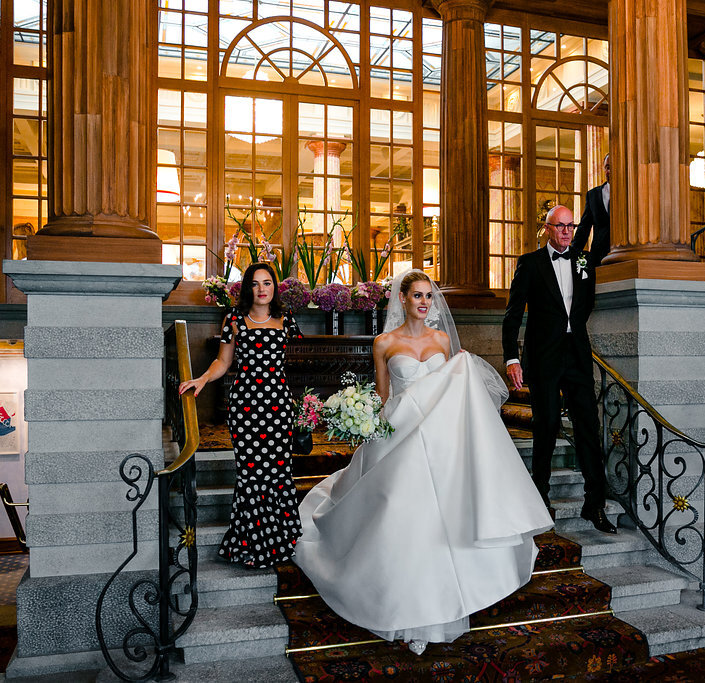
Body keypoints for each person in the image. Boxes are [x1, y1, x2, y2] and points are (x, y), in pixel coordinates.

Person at [294, 269, 553, 655]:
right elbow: (384, 399)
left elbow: (454, 391)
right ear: (402, 299)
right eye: (417, 296)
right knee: (404, 516)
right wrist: (368, 425)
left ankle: (449, 600)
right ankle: (405, 607)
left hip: (440, 438)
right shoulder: (384, 343)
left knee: (444, 515)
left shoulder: (443, 340)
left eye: (428, 297)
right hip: (401, 434)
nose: (424, 303)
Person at [502, 205, 617, 534]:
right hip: (544, 358)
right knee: (547, 426)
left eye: (571, 226)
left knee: (588, 429)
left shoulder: (584, 261)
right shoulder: (530, 264)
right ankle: (540, 500)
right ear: (547, 229)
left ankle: (594, 505)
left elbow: (586, 306)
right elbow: (513, 315)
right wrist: (512, 357)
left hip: (578, 356)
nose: (567, 231)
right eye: (560, 226)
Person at [179, 262, 303, 568]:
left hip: (278, 406)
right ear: (248, 288)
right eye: (256, 284)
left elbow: (299, 362)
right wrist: (202, 379)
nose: (262, 289)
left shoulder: (287, 319)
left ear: (275, 288)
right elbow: (223, 362)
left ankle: (282, 542)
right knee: (251, 475)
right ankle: (250, 546)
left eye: (267, 283)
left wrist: (305, 404)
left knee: (278, 473)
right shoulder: (233, 319)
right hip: (246, 406)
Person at [573, 152, 611, 263]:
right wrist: (572, 253)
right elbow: (584, 227)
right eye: (607, 167)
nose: (610, 171)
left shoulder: (631, 193)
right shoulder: (593, 195)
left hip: (624, 255)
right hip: (598, 257)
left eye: (613, 167)